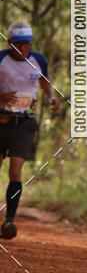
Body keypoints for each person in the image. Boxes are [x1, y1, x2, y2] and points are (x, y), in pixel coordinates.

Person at [0, 20, 59, 239]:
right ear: (9, 43)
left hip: (24, 123)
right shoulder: (1, 60)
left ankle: (9, 222)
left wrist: (51, 98)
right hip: (1, 121)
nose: (23, 48)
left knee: (15, 171)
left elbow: (44, 81)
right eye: (18, 44)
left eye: (27, 44)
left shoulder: (38, 60)